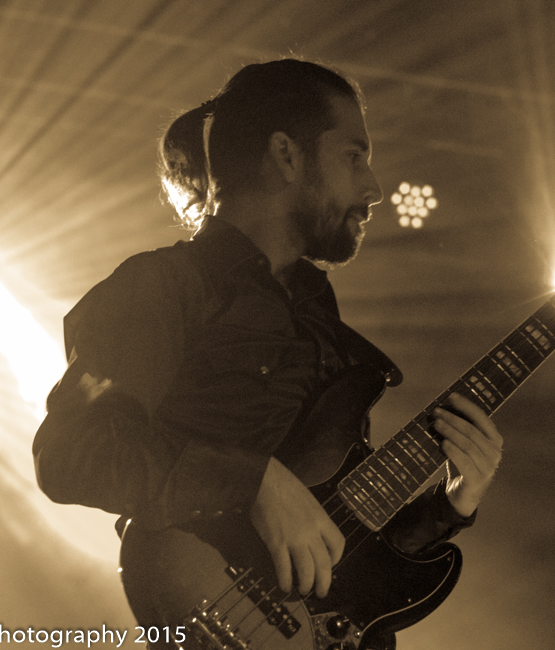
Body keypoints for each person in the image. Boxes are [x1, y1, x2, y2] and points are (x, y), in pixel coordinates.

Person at [33, 58, 503, 648]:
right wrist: (252, 481)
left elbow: (333, 548)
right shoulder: (162, 286)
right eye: (353, 157)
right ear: (286, 155)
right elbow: (71, 455)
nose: (374, 188)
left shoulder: (317, 314)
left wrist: (448, 505)